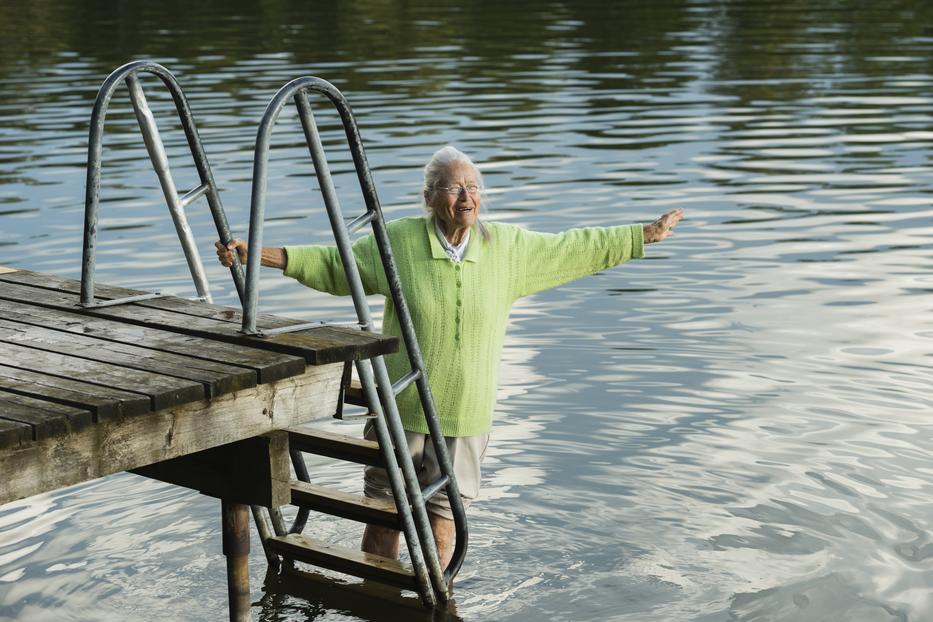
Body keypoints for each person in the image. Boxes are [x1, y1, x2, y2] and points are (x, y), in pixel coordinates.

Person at [216, 145, 683, 570]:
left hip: (465, 412)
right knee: (384, 517)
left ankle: (434, 598)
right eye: (454, 186)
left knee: (446, 519)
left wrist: (642, 235)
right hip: (401, 408)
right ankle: (376, 590)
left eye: (474, 187)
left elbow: (573, 248)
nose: (467, 196)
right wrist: (259, 254)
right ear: (429, 197)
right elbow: (335, 264)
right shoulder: (398, 241)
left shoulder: (507, 248)